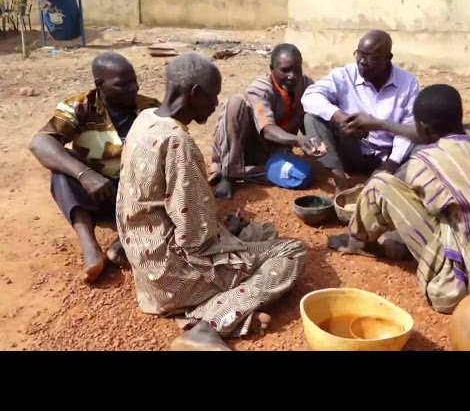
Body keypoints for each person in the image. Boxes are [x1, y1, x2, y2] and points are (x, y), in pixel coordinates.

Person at [115, 52, 307, 351]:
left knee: (254, 233)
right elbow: (197, 238)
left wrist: (227, 229)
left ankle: (215, 307)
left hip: (147, 268)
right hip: (175, 278)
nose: (216, 104)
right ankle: (210, 324)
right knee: (290, 251)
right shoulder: (178, 142)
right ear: (194, 94)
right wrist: (227, 238)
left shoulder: (145, 120)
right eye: (213, 96)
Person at [329, 84, 470, 314]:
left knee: (380, 185)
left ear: (423, 128)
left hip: (462, 287)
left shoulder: (427, 162)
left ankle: (356, 240)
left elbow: (424, 203)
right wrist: (379, 123)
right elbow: (426, 135)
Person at [28, 51, 160, 284]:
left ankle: (125, 240)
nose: (133, 88)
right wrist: (85, 174)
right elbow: (40, 143)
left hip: (139, 196)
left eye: (135, 81)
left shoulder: (149, 109)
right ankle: (91, 248)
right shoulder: (80, 106)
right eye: (123, 84)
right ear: (99, 84)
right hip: (98, 192)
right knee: (61, 166)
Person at [301, 30, 420, 194]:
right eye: (359, 54)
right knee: (313, 118)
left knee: (424, 143)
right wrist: (341, 117)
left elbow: (410, 125)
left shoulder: (408, 83)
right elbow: (310, 96)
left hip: (390, 156)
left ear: (388, 58)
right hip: (353, 152)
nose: (362, 61)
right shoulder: (345, 75)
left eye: (371, 56)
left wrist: (391, 163)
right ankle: (340, 181)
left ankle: (394, 188)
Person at [210, 43, 324, 199]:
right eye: (285, 70)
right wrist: (298, 141)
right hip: (242, 148)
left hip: (271, 153)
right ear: (272, 69)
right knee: (234, 104)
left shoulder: (306, 85)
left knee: (302, 176)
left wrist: (314, 142)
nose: (292, 76)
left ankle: (243, 173)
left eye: (297, 70)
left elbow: (311, 118)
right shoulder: (260, 89)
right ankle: (228, 174)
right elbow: (268, 129)